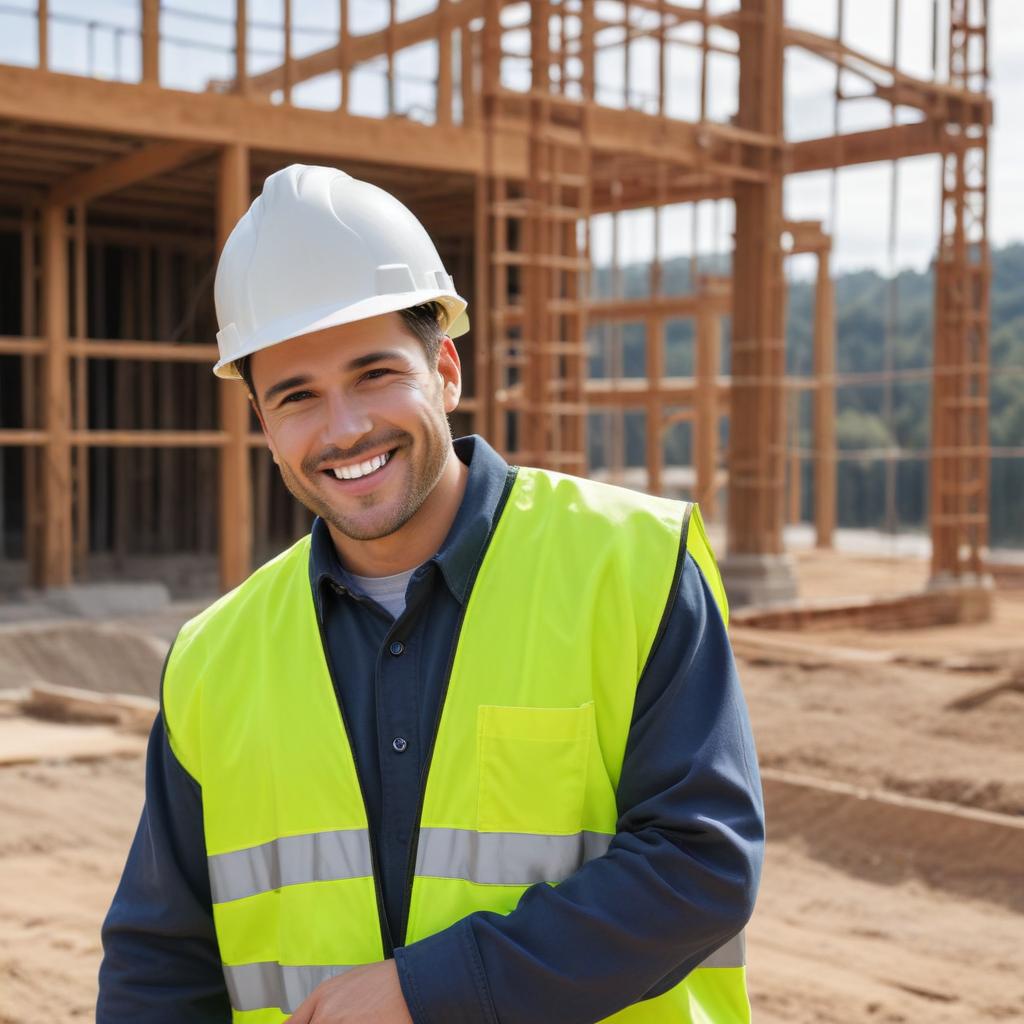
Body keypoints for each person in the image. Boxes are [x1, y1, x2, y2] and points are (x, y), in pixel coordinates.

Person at [98, 164, 764, 1024]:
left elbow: (700, 864)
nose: (343, 430)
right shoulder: (212, 659)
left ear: (444, 368)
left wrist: (430, 992)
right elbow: (161, 961)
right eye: (296, 397)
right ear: (263, 425)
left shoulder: (630, 566)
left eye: (375, 373)